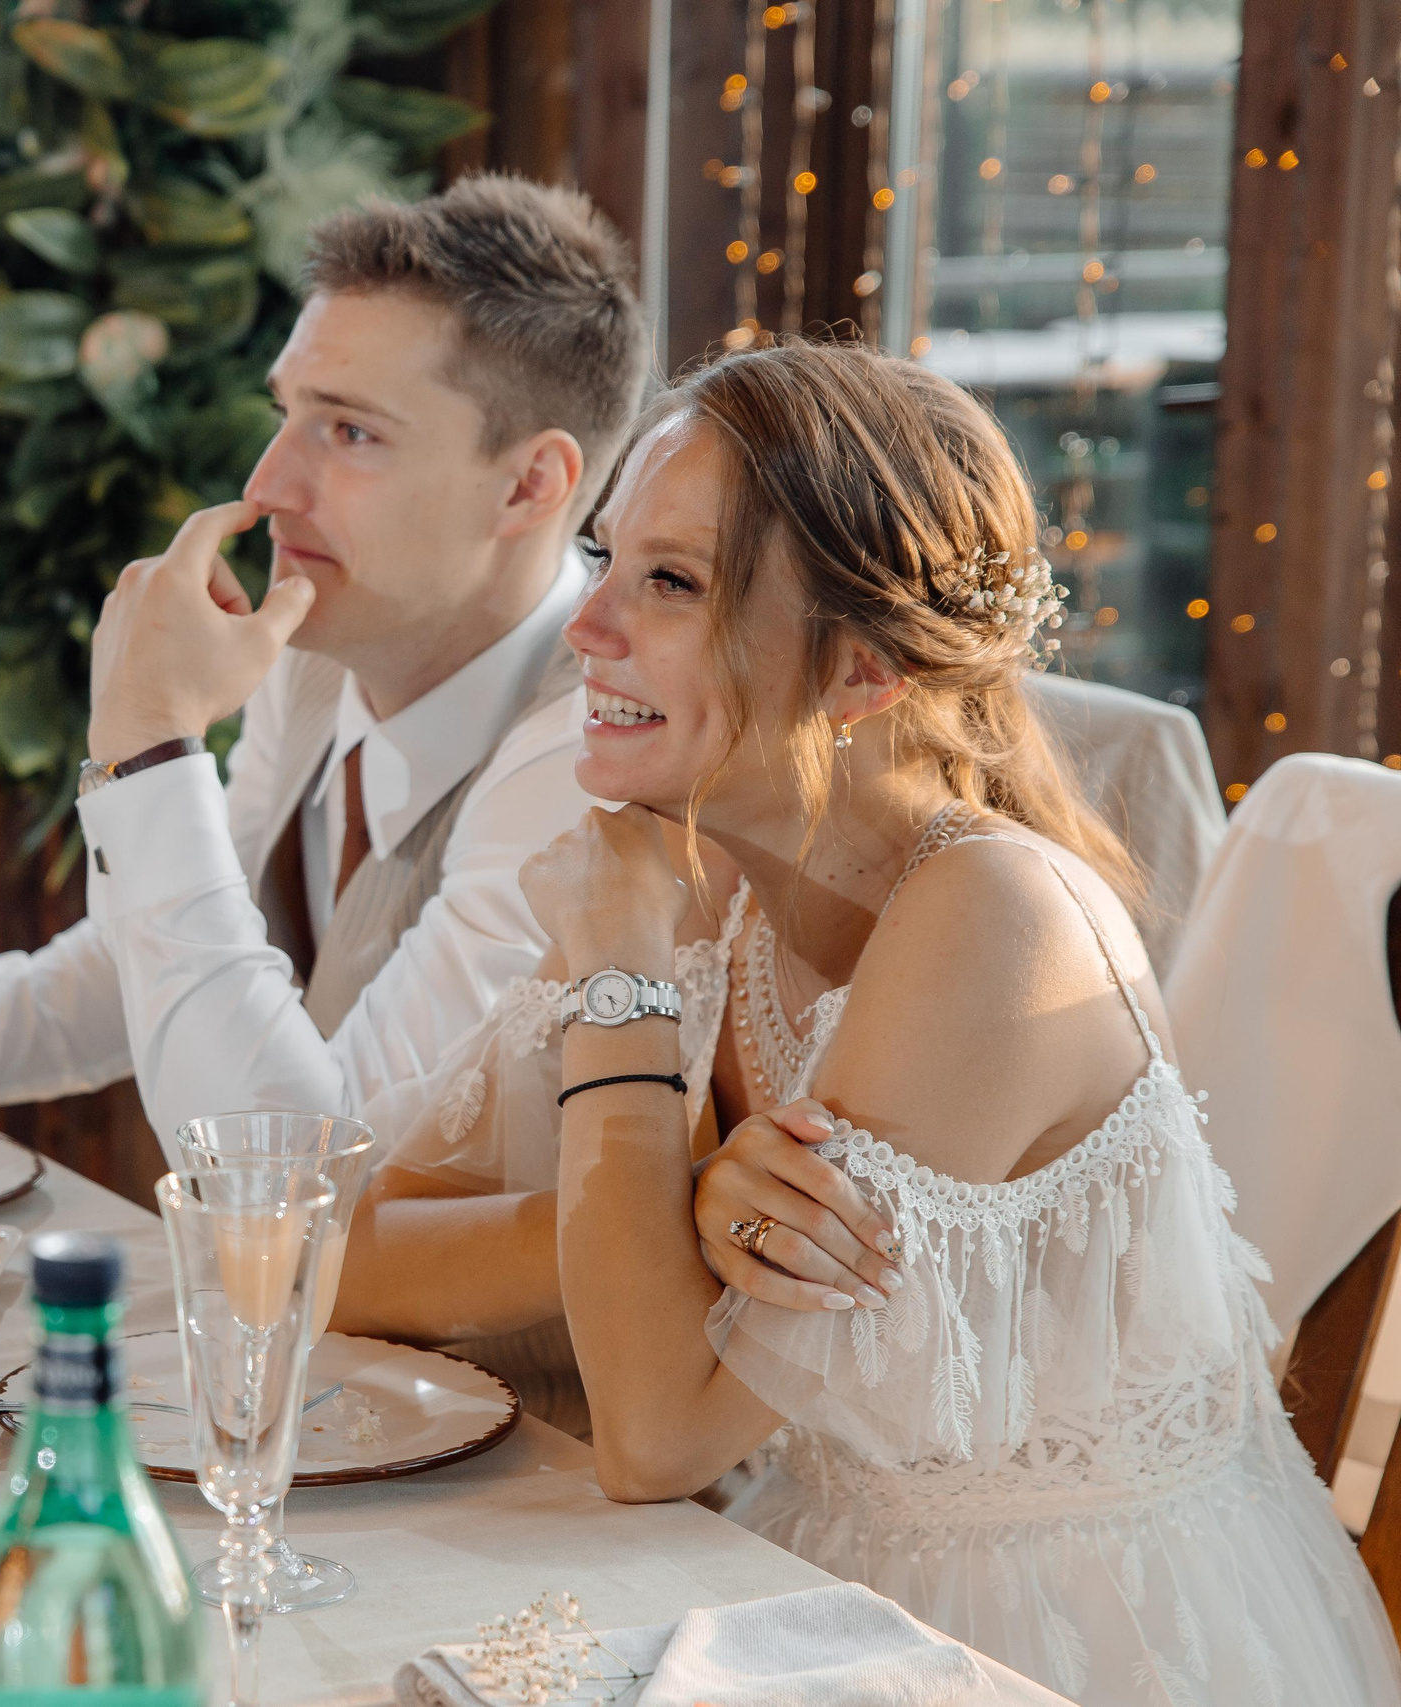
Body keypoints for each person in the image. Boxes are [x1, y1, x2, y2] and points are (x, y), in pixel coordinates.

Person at [381, 336, 1398, 1705]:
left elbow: (657, 1432)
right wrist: (681, 1204)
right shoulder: (702, 850)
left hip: (1062, 1647)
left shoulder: (995, 919)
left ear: (860, 672)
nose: (586, 626)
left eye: (670, 581)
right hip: (800, 1592)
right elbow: (338, 1248)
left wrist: (617, 989)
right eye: (607, 556)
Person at [0, 175, 651, 1156]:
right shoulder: (323, 654)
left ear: (528, 487)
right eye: (285, 414)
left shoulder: (584, 753)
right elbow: (161, 952)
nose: (269, 483)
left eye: (351, 432)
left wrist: (150, 756)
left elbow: (294, 1164)